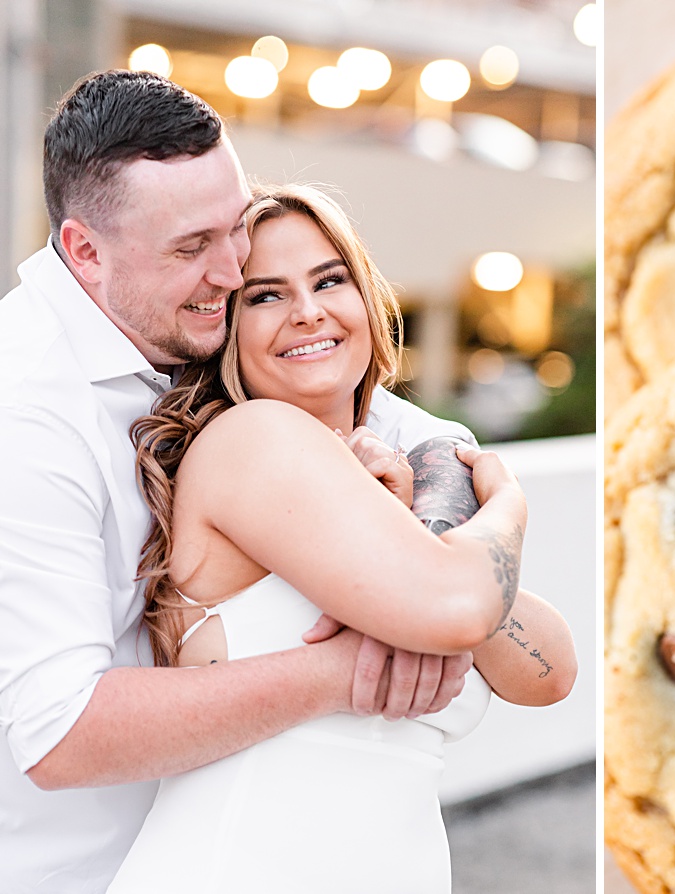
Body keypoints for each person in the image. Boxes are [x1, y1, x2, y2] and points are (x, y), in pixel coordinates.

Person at [0, 70, 497, 892]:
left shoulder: (191, 337)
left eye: (232, 231)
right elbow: (58, 736)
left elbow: (414, 432)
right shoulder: (24, 409)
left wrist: (473, 493)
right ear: (85, 251)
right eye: (193, 248)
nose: (232, 273)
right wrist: (345, 675)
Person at [104, 182, 575, 891]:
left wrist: (413, 520)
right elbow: (460, 607)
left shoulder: (401, 493)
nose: (308, 312)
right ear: (225, 327)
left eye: (330, 280)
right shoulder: (249, 441)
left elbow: (550, 675)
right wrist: (506, 507)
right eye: (264, 295)